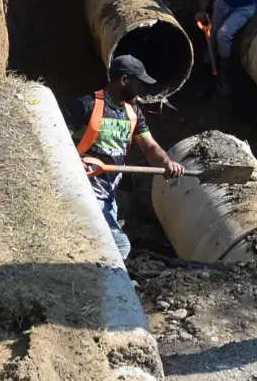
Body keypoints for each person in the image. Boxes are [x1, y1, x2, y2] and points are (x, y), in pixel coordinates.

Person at [61, 55, 184, 258]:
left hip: (109, 197)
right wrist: (74, 163)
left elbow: (150, 147)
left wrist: (167, 163)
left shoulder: (133, 112)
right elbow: (56, 141)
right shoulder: (86, 105)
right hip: (85, 192)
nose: (143, 89)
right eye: (140, 83)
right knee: (119, 246)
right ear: (124, 80)